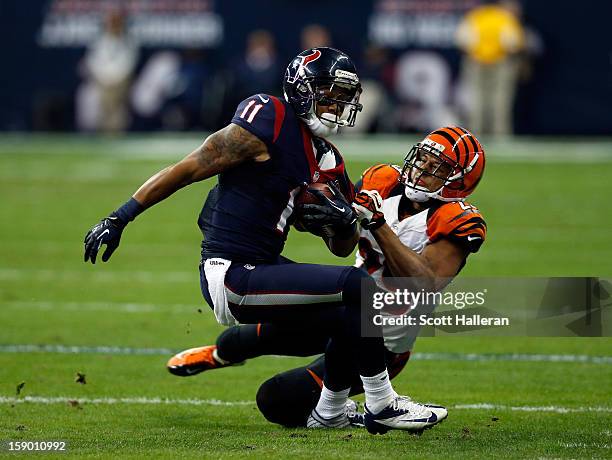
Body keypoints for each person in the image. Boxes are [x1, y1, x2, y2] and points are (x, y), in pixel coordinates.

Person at [83, 47, 447, 435]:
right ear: (302, 88)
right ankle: (382, 403)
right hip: (230, 273)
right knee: (359, 286)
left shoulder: (328, 159)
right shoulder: (270, 118)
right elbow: (192, 166)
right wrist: (121, 216)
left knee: (350, 313)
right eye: (330, 92)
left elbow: (342, 247)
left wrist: (341, 222)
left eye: (344, 96)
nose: (338, 104)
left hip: (263, 268)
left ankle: (329, 411)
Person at [167, 127, 487, 428]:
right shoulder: (383, 179)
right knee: (245, 338)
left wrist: (377, 223)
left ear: (459, 180)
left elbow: (424, 281)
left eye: (437, 167)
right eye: (423, 159)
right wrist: (329, 214)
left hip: (383, 340)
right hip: (346, 310)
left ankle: (351, 407)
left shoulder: (457, 219)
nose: (421, 170)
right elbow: (341, 235)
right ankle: (221, 355)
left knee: (275, 399)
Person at [456, 0, 525, 136]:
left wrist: (477, 52)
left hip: (476, 60)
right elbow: (513, 42)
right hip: (501, 61)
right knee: (500, 98)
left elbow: (462, 40)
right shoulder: (504, 17)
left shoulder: (475, 16)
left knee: (476, 97)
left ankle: (476, 133)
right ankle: (500, 134)